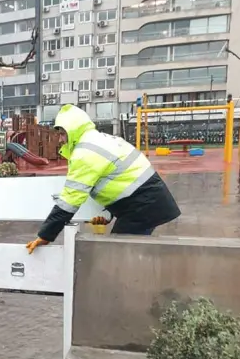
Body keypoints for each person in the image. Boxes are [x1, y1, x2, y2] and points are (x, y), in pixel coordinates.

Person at [27, 105, 180, 254]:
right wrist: (109, 214)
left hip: (142, 207)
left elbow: (70, 201)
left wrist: (45, 236)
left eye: (62, 134)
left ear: (73, 130)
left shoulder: (85, 153)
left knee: (118, 256)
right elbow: (120, 179)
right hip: (147, 203)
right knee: (125, 254)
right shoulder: (100, 139)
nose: (60, 139)